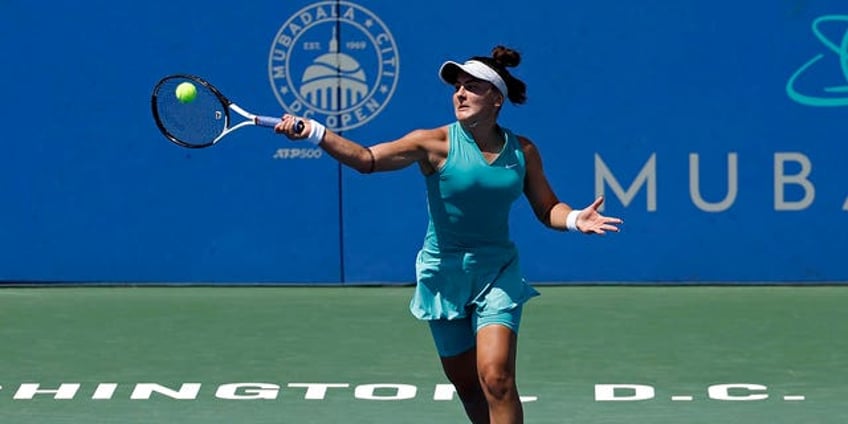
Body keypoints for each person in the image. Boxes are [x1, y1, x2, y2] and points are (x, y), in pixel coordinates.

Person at [275, 45, 623, 424]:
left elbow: (546, 208)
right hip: (443, 275)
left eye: (471, 87)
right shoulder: (433, 143)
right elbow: (368, 160)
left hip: (497, 273)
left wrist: (574, 219)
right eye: (457, 87)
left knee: (497, 378)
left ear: (496, 99)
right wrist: (316, 132)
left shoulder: (523, 150)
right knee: (468, 387)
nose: (459, 93)